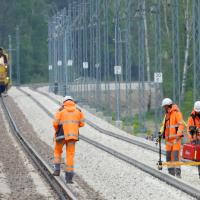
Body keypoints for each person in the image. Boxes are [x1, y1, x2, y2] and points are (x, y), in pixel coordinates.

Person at [52, 95, 85, 183]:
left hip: (61, 136)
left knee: (57, 151)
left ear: (64, 102)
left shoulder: (60, 110)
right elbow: (82, 124)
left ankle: (57, 170)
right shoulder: (78, 111)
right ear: (72, 101)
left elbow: (55, 123)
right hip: (72, 137)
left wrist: (57, 130)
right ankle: (69, 177)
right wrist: (74, 126)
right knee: (70, 155)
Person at [161, 98, 185, 178]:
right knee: (168, 157)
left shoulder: (177, 113)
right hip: (168, 141)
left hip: (176, 140)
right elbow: (164, 126)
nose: (164, 108)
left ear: (168, 106)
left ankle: (178, 174)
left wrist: (178, 134)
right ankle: (171, 174)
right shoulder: (167, 115)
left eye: (165, 107)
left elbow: (181, 124)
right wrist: (161, 133)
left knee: (175, 157)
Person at [187, 101, 200, 178]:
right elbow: (189, 130)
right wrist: (192, 139)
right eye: (197, 111)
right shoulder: (192, 117)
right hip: (197, 140)